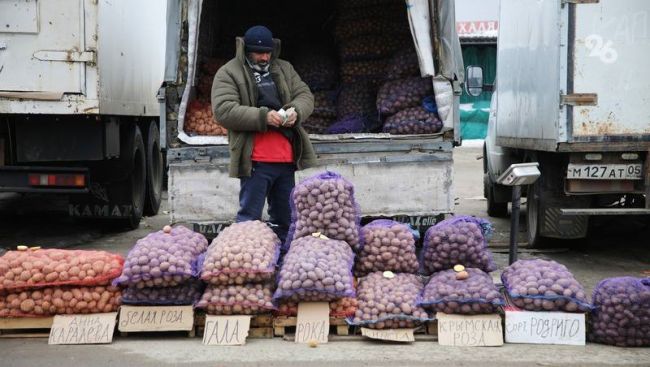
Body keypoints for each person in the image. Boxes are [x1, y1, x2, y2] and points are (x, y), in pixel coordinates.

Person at [211, 25, 317, 243]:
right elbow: (223, 110)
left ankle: (283, 262)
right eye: (259, 53)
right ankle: (247, 260)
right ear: (246, 50)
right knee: (249, 218)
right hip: (255, 160)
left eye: (268, 52)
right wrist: (263, 117)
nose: (264, 57)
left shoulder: (284, 68)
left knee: (286, 220)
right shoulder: (229, 72)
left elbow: (305, 95)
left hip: (287, 158)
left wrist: (296, 110)